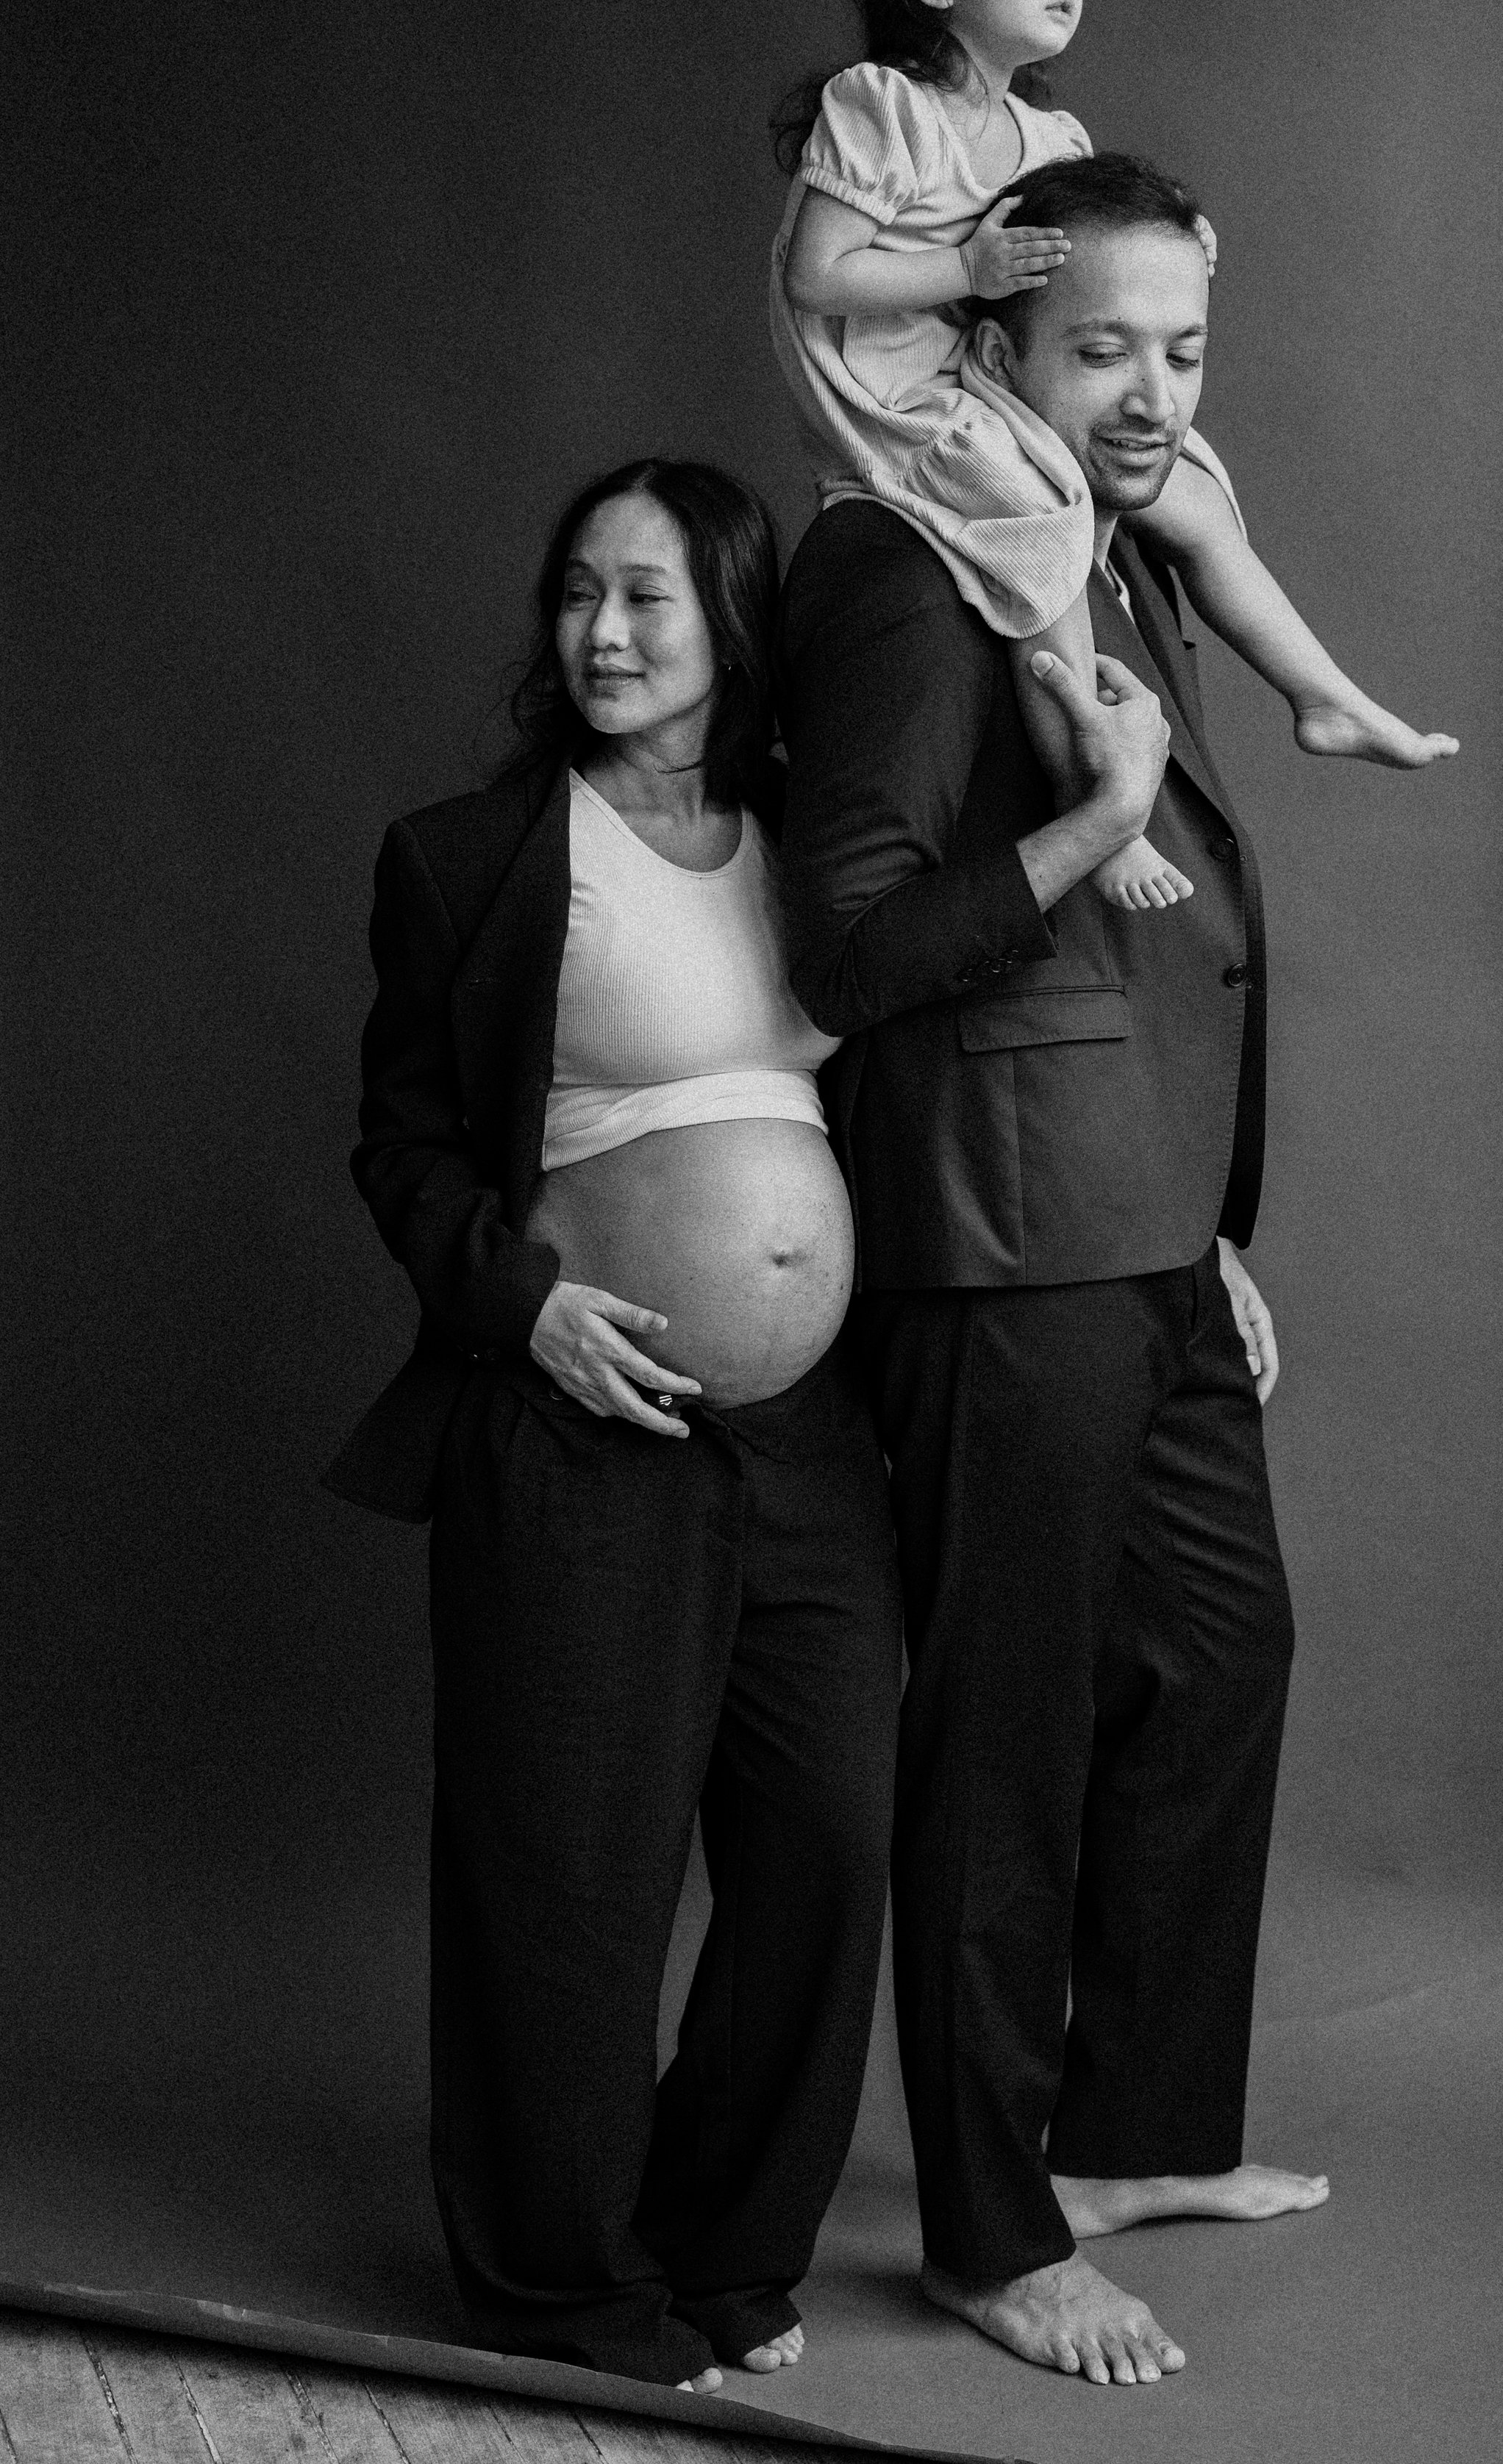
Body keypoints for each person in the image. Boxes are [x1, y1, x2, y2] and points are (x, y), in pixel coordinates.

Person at [774, 152, 1335, 2389]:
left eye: (1179, 348)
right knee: (1000, 1734)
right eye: (1098, 343)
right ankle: (994, 2229)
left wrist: (1209, 1222)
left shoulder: (1116, 545)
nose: (1144, 389)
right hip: (1002, 1249)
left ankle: (1130, 2129)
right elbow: (850, 935)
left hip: (1149, 1233)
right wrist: (1087, 828)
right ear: (989, 333)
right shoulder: (903, 565)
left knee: (1215, 1655)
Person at [324, 459, 902, 2394]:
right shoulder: (474, 861)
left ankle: (725, 2245)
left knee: (825, 1835)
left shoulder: (825, 842)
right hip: (582, 1421)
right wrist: (524, 1308)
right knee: (567, 1870)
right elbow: (403, 1141)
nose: (603, 633)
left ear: (737, 624)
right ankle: (562, 2284)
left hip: (804, 1436)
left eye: (650, 596)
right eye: (579, 590)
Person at [770, 0, 1454, 917]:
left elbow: (1106, 245)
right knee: (1042, 513)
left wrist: (1184, 237)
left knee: (1188, 484)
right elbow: (817, 276)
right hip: (895, 392)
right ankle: (1099, 797)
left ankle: (1322, 694)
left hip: (978, 371)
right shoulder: (879, 106)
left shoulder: (1050, 139)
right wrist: (965, 261)